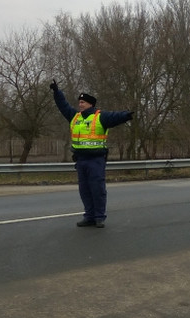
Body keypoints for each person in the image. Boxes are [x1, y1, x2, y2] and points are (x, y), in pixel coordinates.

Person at [50, 80, 133, 228]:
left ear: (90, 104)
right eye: (79, 102)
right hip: (81, 160)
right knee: (85, 190)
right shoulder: (74, 117)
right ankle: (89, 216)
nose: (80, 104)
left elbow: (114, 117)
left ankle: (99, 217)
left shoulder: (100, 117)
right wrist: (57, 92)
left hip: (96, 160)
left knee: (97, 189)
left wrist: (126, 115)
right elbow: (63, 105)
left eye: (83, 102)